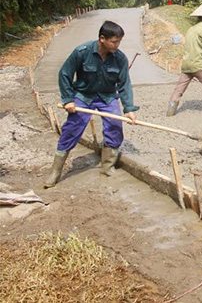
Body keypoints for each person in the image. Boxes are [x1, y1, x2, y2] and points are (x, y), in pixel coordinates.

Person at [44, 21, 139, 188]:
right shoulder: (82, 52)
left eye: (119, 42)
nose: (117, 45)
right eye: (114, 41)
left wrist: (129, 109)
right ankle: (55, 171)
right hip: (84, 95)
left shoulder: (120, 59)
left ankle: (108, 167)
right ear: (102, 38)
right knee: (72, 128)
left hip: (108, 96)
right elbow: (65, 74)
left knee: (115, 126)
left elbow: (124, 84)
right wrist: (68, 100)